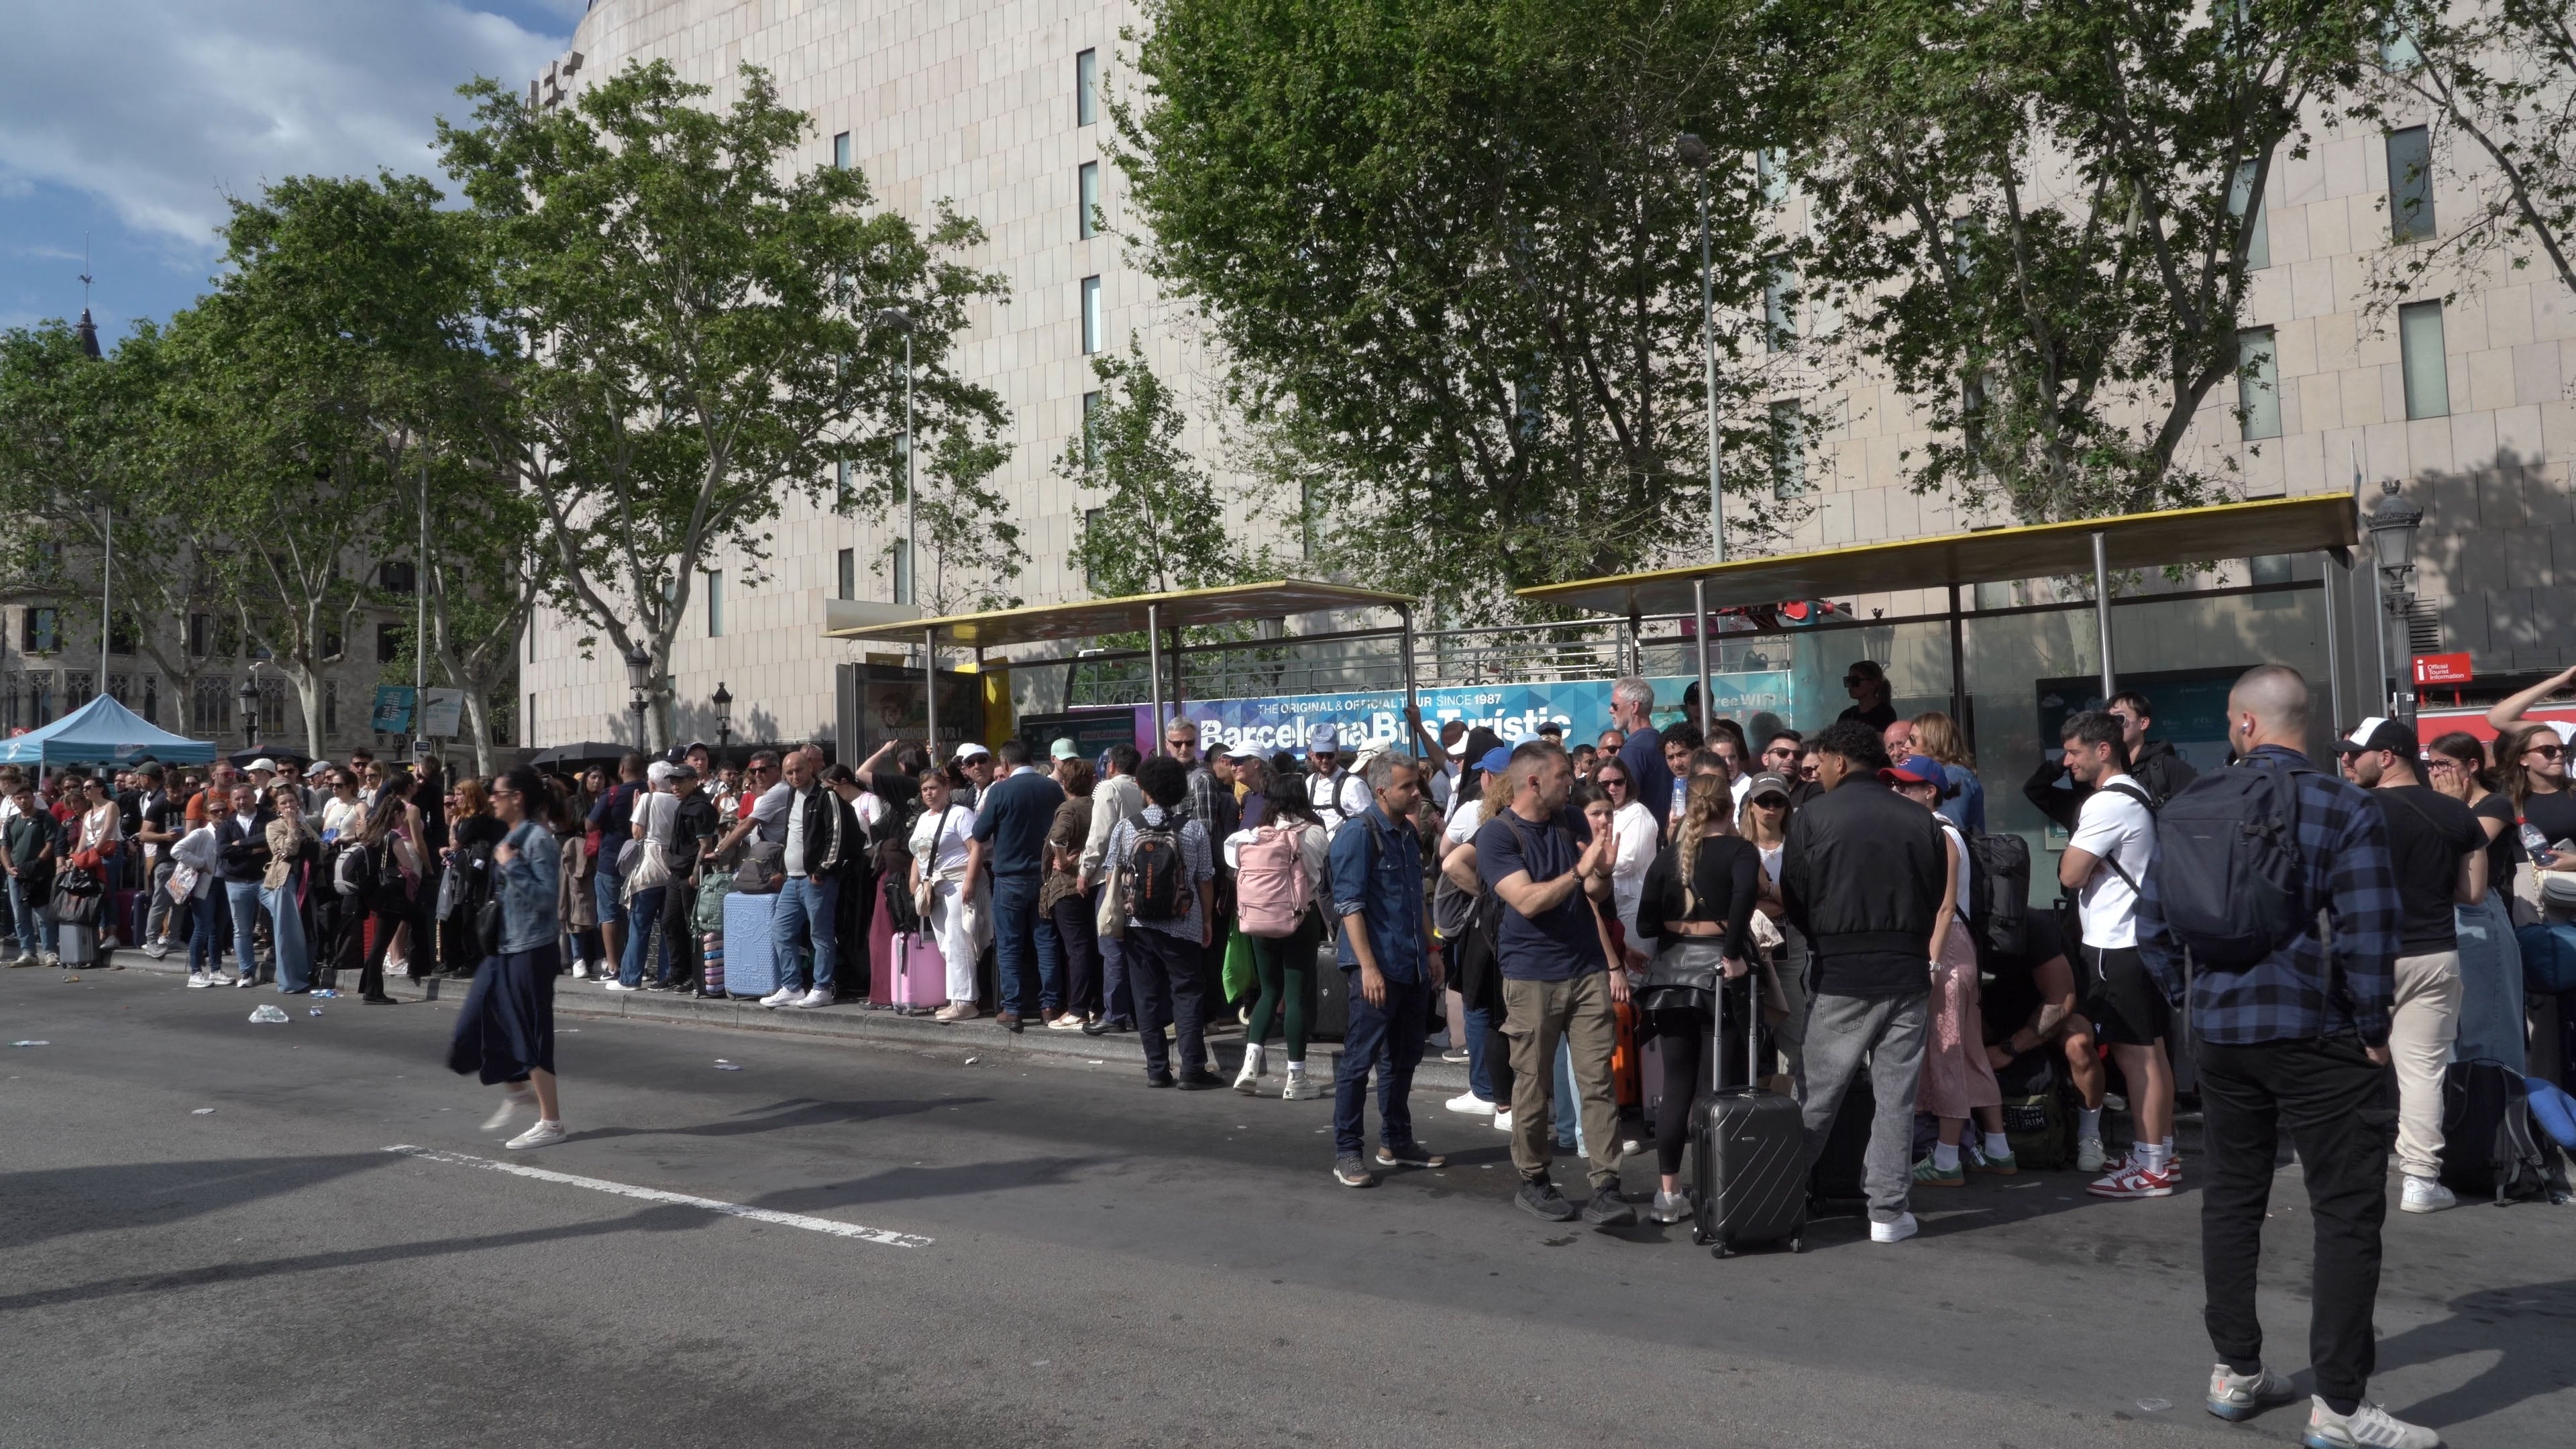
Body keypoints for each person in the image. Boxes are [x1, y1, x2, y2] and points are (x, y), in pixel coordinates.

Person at [2133, 665, 2418, 1447]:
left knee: (2231, 1197)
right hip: (2317, 1030)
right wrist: (2371, 1024)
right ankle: (2341, 1405)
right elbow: (2368, 928)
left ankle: (2236, 1369)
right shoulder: (2345, 804)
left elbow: (2152, 929)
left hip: (2224, 1034)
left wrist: (2193, 1004)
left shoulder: (2189, 804)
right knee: (2346, 1211)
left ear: (2247, 725)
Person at [1780, 720, 1943, 1245]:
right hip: (1906, 969)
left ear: (1841, 761)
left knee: (1818, 1095)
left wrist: (1826, 938)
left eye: (1820, 761)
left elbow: (1795, 895)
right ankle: (1888, 1210)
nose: (1815, 770)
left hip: (1842, 972)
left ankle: (1779, 1197)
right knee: (1896, 1095)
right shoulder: (1921, 820)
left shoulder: (1812, 818)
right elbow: (1934, 893)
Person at [1479, 741, 1631, 1226]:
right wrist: (1580, 871)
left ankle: (1607, 1184)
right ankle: (1534, 1178)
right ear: (1533, 781)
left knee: (1597, 1081)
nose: (1573, 782)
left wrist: (1601, 872)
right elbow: (1526, 901)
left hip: (1584, 969)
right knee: (1533, 1084)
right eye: (1564, 775)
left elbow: (1591, 890)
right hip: (1531, 976)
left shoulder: (1569, 820)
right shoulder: (1497, 837)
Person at [2338, 716, 2484, 1216]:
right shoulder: (2456, 813)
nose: (2346, 761)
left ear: (2386, 756)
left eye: (2354, 753)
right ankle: (2420, 1181)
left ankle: (2347, 1171)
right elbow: (2473, 892)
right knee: (2422, 1071)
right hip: (2432, 953)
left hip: (2363, 956)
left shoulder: (2348, 811)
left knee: (2350, 1064)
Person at [2055, 708, 2176, 1199]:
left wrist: (2075, 856)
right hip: (2138, 942)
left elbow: (2069, 874)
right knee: (2153, 1055)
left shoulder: (2107, 804)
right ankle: (2159, 1155)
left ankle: (2150, 1169)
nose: (2066, 763)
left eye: (2073, 752)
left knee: (2136, 1058)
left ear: (2103, 750)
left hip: (2117, 944)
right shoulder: (2137, 795)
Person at [1631, 773, 1761, 1224]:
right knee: (1716, 1088)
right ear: (1730, 808)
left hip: (1670, 978)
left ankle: (1668, 1195)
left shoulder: (1668, 857)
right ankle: (1714, 1188)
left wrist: (1681, 924)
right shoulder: (1740, 850)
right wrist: (1730, 951)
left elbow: (1647, 925)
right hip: (1719, 975)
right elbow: (1747, 892)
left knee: (1676, 1088)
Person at [1883, 755, 2006, 1187]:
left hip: (1947, 946)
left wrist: (1932, 963)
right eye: (1894, 785)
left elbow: (1946, 904)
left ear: (1929, 792)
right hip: (1956, 945)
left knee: (1948, 1051)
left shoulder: (1941, 833)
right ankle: (1997, 1148)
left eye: (1905, 786)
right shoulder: (1937, 831)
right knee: (1967, 1049)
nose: (1896, 792)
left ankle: (1948, 1157)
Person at [1327, 751, 1446, 1185]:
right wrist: (1369, 968)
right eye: (1407, 787)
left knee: (1403, 1060)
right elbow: (1350, 906)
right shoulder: (1359, 834)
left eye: (1416, 784)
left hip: (1411, 966)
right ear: (1381, 791)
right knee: (1359, 1063)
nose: (1417, 793)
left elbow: (1416, 899)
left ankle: (1397, 1140)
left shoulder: (1405, 835)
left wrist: (1432, 951)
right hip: (1376, 970)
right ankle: (1348, 1151)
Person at [456, 765, 569, 1150]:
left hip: (531, 948)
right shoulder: (513, 836)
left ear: (517, 797)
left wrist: (511, 866)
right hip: (506, 946)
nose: (491, 798)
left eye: (498, 793)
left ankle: (550, 1122)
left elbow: (544, 899)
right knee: (485, 1019)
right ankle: (518, 1089)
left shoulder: (537, 841)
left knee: (532, 1032)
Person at [1103, 755, 1219, 1088]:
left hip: (1138, 926)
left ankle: (1157, 1069)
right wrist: (1207, 921)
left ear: (1146, 789)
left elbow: (1112, 873)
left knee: (1146, 996)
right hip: (1184, 923)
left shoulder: (1127, 827)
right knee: (1187, 993)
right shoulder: (1193, 828)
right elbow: (1205, 879)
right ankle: (1193, 1070)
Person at [1978, 902, 2108, 1171]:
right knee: (1952, 1039)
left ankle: (2089, 1135)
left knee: (2079, 1045)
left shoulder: (2035, 927)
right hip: (2005, 1002)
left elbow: (2060, 1001)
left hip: (2059, 1003)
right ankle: (1958, 1134)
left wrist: (2009, 1049)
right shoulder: (1962, 922)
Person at [2424, 731, 2528, 1070]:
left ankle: (2497, 1108)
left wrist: (2451, 806)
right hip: (2442, 911)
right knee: (2451, 1027)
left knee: (2488, 1021)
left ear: (2471, 766)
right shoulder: (2437, 802)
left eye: (2444, 764)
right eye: (2431, 764)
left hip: (2479, 912)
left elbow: (2468, 842)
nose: (2436, 773)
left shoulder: (2494, 803)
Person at [1228, 778, 1330, 1097]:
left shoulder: (1256, 833)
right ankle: (1296, 1078)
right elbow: (1323, 873)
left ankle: (1248, 1067)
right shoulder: (1314, 832)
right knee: (1296, 996)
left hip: (1259, 919)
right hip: (1301, 918)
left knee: (1269, 992)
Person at [969, 737, 1066, 1031]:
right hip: (1044, 877)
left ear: (1006, 763)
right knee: (1045, 941)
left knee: (1009, 945)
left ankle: (1013, 1009)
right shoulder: (1052, 788)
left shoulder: (1000, 791)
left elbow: (979, 832)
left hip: (1010, 878)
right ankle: (1050, 1006)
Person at [2027, 690, 2201, 831]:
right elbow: (2035, 789)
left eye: (2119, 719)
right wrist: (2071, 756)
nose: (2112, 725)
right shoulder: (2088, 776)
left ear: (2143, 723)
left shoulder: (2165, 767)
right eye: (2106, 720)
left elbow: (2200, 818)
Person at [757, 750, 849, 1010]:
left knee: (820, 935)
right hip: (792, 879)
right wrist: (783, 870)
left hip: (816, 880)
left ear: (810, 767)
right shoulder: (790, 795)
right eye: (789, 772)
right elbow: (791, 836)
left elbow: (836, 834)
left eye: (799, 770)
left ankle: (821, 988)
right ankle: (792, 987)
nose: (795, 776)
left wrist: (822, 870)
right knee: (781, 931)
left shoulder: (826, 795)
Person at [1739, 771, 1808, 1085]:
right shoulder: (1740, 846)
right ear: (1751, 805)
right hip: (1749, 941)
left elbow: (1799, 902)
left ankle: (1785, 1107)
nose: (1770, 807)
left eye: (1777, 801)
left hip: (1791, 939)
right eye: (1763, 801)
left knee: (1792, 1025)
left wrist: (1765, 889)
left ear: (1786, 806)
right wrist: (1775, 896)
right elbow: (1740, 901)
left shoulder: (1798, 846)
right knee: (1753, 1025)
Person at [1078, 743, 1146, 1035]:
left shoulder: (1109, 788)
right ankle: (1131, 1011)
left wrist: (1084, 870)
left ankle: (1115, 1013)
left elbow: (1100, 835)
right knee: (1132, 947)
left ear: (1111, 766)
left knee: (1112, 945)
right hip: (1142, 874)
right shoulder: (1141, 789)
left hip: (1113, 878)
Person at [911, 763, 986, 1021]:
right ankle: (956, 997)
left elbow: (976, 848)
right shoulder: (923, 819)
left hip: (957, 882)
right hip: (933, 886)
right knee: (945, 944)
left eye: (933, 787)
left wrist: (970, 882)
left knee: (959, 941)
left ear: (946, 788)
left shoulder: (961, 814)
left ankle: (966, 1001)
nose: (929, 793)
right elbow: (919, 854)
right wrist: (916, 881)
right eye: (924, 790)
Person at [1040, 757, 1101, 1029]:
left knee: (1077, 950)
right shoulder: (1097, 806)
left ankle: (1078, 1009)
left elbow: (1057, 837)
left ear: (1065, 783)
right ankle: (1094, 1006)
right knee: (1091, 948)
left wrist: (1064, 860)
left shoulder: (1068, 808)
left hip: (1067, 885)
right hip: (1093, 882)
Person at [1592, 755, 1658, 965]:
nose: (1613, 788)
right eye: (1605, 783)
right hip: (1608, 907)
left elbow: (1628, 862)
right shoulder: (1600, 815)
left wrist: (1590, 865)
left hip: (1634, 908)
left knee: (1635, 975)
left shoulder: (1637, 814)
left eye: (1618, 782)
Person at [586, 753, 645, 978]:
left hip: (611, 860)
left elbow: (590, 824)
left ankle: (613, 966)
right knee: (636, 914)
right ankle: (636, 963)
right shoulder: (652, 793)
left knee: (609, 914)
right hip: (640, 860)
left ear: (621, 769)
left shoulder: (612, 793)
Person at [261, 784, 321, 994]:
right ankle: (289, 981)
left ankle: (303, 974)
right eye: (283, 803)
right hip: (285, 882)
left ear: (299, 803)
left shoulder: (305, 825)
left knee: (307, 928)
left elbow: (320, 846)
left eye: (291, 801)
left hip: (307, 880)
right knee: (288, 932)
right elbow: (288, 850)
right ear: (277, 808)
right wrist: (292, 825)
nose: (289, 806)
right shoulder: (274, 826)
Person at [213, 782, 273, 988]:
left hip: (265, 879)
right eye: (237, 798)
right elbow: (223, 851)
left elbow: (270, 837)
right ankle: (247, 972)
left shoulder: (268, 818)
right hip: (237, 882)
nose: (241, 802)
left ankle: (284, 965)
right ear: (232, 801)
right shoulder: (226, 825)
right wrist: (253, 850)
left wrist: (241, 844)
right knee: (242, 929)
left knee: (281, 920)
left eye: (245, 797)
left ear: (254, 798)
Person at [4, 780, 60, 968]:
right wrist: (8, 868)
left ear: (33, 798)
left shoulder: (45, 818)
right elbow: (4, 847)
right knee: (20, 915)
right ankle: (28, 952)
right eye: (18, 798)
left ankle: (50, 951)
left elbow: (50, 844)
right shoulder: (11, 821)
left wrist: (38, 863)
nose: (23, 801)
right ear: (13, 800)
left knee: (43, 915)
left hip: (40, 874)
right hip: (16, 874)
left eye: (26, 797)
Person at [1610, 676, 1676, 834]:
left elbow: (1623, 805)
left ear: (1634, 706)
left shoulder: (1632, 750)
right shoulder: (1663, 743)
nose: (1610, 710)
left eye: (1615, 705)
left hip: (1641, 839)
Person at [1909, 712, 1984, 833]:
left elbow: (1949, 830)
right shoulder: (1944, 774)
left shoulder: (1952, 775)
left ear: (1933, 740)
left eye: (1912, 739)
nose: (1907, 745)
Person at [1302, 738, 1367, 835]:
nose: (1325, 760)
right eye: (1320, 755)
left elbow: (1370, 822)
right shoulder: (1310, 782)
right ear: (1312, 755)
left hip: (1344, 847)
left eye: (1330, 755)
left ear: (1337, 755)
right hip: (1318, 847)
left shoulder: (1353, 784)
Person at [1837, 660, 1898, 733]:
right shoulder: (1846, 716)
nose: (1850, 685)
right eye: (1848, 680)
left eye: (1855, 681)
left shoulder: (1885, 713)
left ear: (1873, 683)